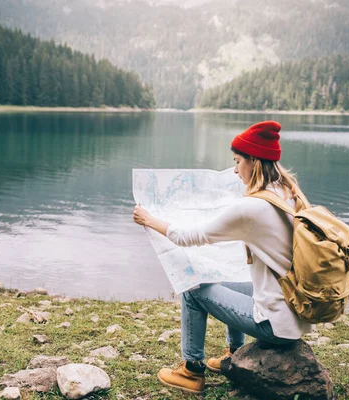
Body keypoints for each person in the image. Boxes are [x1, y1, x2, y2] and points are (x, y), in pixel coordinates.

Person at [132, 120, 313, 394]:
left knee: (193, 289)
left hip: (274, 325)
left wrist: (149, 219)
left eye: (238, 161)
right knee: (228, 280)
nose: (234, 169)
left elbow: (188, 236)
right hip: (294, 312)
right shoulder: (287, 192)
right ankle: (235, 355)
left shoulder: (253, 208)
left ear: (253, 161)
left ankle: (191, 371)